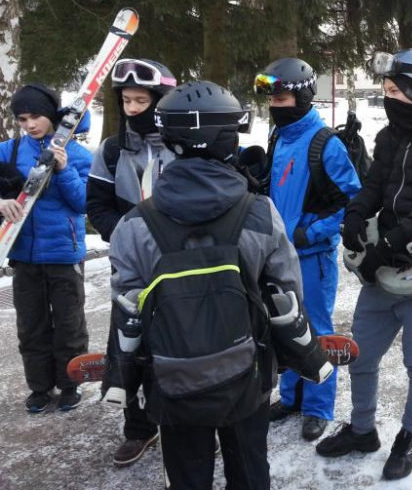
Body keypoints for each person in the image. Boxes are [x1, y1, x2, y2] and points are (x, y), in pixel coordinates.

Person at [105, 80, 334, 489]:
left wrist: (125, 380)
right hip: (246, 377)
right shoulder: (261, 213)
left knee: (187, 476)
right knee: (249, 471)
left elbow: (128, 308)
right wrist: (303, 357)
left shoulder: (135, 224)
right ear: (226, 142)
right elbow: (286, 295)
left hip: (173, 383)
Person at [315, 49, 412, 480]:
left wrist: (390, 243)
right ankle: (362, 430)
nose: (391, 99)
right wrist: (353, 215)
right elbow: (373, 186)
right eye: (386, 91)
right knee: (362, 356)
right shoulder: (389, 138)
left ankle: (410, 436)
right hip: (379, 272)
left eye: (398, 91)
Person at [253, 57, 361, 441]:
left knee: (315, 330)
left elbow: (350, 200)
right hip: (277, 255)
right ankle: (292, 396)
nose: (274, 104)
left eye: (281, 96)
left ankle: (318, 406)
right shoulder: (279, 136)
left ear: (301, 96)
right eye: (271, 97)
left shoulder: (324, 143)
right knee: (282, 326)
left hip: (312, 258)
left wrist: (309, 233)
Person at [86, 58, 177, 466]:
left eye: (142, 100)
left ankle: (182, 423)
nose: (134, 109)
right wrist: (128, 238)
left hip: (178, 267)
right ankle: (138, 427)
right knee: (129, 347)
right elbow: (97, 206)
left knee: (180, 344)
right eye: (127, 101)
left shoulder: (182, 146)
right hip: (130, 268)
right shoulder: (111, 149)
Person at [0, 84, 92, 413]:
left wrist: (64, 170)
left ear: (51, 115)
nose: (29, 124)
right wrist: (2, 201)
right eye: (22, 119)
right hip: (23, 255)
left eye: (35, 116)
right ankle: (39, 387)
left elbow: (83, 203)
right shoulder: (8, 151)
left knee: (69, 326)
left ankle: (70, 384)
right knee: (31, 326)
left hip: (64, 254)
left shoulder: (80, 155)